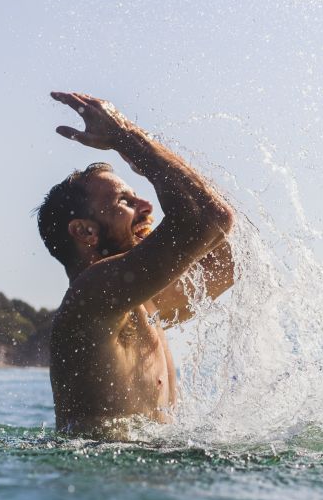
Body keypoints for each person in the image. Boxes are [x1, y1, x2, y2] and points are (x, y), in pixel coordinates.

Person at [37, 91, 235, 438]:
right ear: (85, 232)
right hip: (105, 483)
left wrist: (128, 145)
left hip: (136, 478)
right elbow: (211, 218)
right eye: (126, 201)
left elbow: (229, 257)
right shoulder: (92, 297)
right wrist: (125, 136)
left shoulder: (141, 304)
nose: (147, 205)